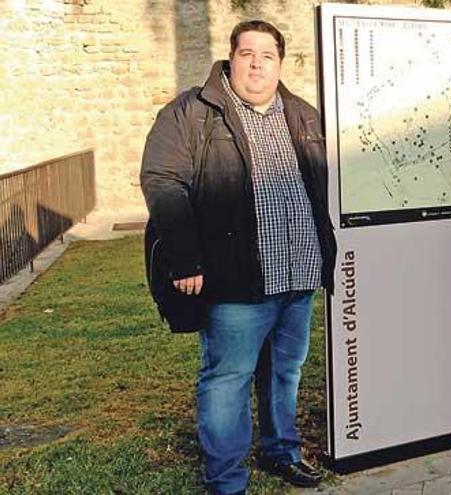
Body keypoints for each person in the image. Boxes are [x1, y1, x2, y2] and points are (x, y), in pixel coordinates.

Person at [140, 20, 336, 495]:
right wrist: (184, 261)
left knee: (284, 372)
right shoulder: (192, 112)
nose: (256, 63)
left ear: (279, 63)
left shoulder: (303, 114)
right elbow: (163, 181)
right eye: (247, 53)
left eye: (267, 55)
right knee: (227, 378)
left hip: (298, 273)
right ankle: (227, 479)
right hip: (235, 280)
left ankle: (281, 452)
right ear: (231, 57)